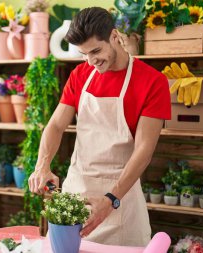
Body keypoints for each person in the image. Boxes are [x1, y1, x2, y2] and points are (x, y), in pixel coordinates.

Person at [28, 7, 171, 247]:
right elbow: (55, 125)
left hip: (121, 201)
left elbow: (144, 151)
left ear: (114, 36)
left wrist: (111, 200)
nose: (92, 61)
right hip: (77, 196)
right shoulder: (81, 74)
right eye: (84, 54)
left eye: (96, 51)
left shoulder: (152, 82)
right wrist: (42, 165)